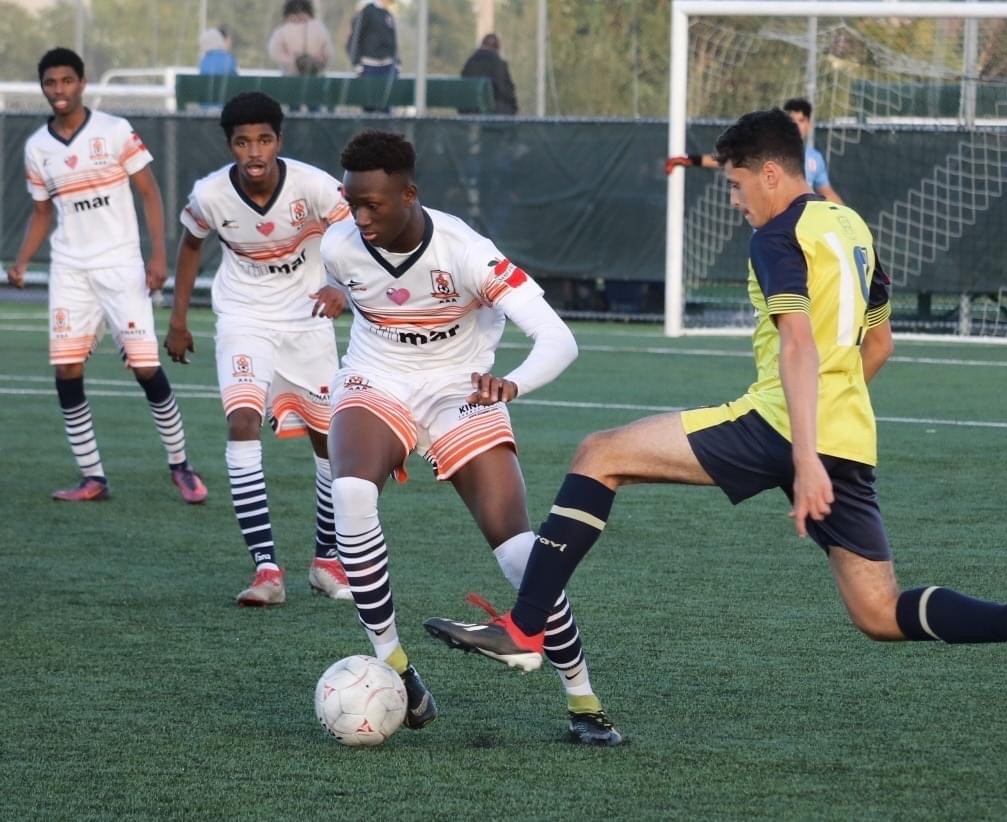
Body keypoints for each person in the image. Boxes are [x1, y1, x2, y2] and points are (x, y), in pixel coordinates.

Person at [423, 109, 1007, 724]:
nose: (737, 201)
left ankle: (524, 629)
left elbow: (798, 344)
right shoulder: (852, 227)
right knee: (878, 612)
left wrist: (800, 455)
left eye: (739, 186)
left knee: (599, 453)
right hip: (848, 441)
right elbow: (879, 342)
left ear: (770, 174)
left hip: (780, 426)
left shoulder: (778, 237)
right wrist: (822, 431)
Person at [319, 129, 622, 744]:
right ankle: (398, 670)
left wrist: (510, 384)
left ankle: (584, 702)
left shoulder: (466, 251)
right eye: (352, 202)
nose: (360, 216)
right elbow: (367, 296)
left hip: (464, 390)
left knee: (518, 554)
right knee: (349, 492)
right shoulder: (339, 246)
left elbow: (559, 338)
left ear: (410, 194)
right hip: (376, 382)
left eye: (373, 203)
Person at [164, 91, 353, 606]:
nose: (254, 152)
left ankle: (326, 561)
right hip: (244, 319)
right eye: (242, 141)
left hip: (309, 321)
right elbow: (190, 244)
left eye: (264, 140)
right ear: (230, 145)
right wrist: (178, 319)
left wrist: (342, 285)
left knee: (329, 442)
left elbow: (356, 231)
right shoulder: (209, 196)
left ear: (279, 142)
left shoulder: (314, 186)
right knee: (242, 421)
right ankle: (267, 570)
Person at [6, 47, 208, 505]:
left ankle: (181, 465)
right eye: (50, 83)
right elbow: (41, 212)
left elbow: (151, 192)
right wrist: (21, 261)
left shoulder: (115, 131)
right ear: (43, 88)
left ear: (82, 82)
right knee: (67, 368)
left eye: (66, 81)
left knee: (144, 367)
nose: (59, 90)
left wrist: (157, 255)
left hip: (120, 265)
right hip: (70, 269)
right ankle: (92, 476)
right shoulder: (38, 147)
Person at [665, 97, 844, 205]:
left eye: (801, 120)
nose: (797, 124)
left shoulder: (816, 159)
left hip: (803, 226)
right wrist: (691, 159)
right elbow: (729, 160)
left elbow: (827, 191)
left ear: (809, 124)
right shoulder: (770, 149)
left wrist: (850, 217)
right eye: (792, 119)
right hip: (774, 227)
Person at [267, 0, 333, 77]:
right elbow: (328, 52)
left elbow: (274, 51)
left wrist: (290, 61)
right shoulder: (319, 28)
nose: (298, 17)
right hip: (316, 74)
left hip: (291, 75)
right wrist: (320, 60)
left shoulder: (283, 30)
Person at [460, 33, 518, 115]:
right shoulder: (499, 64)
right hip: (495, 113)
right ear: (497, 48)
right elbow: (507, 91)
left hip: (469, 111)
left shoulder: (470, 63)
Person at [347, 0, 399, 78]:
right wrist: (357, 63)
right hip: (369, 67)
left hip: (388, 67)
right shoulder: (367, 11)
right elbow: (354, 39)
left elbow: (393, 41)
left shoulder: (388, 14)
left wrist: (398, 63)